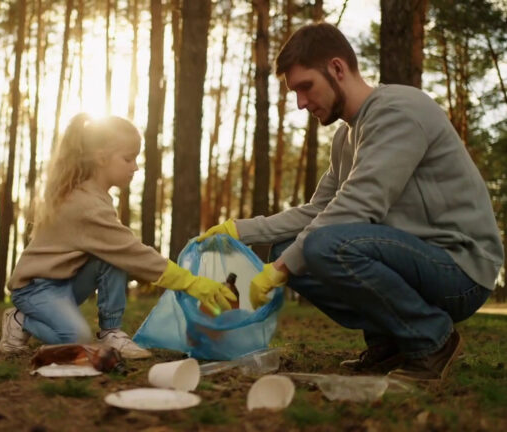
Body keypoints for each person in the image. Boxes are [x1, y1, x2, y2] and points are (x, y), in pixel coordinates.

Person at [198, 23, 504, 382]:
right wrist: (242, 230)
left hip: (459, 270)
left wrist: (281, 269)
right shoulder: (346, 137)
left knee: (318, 246)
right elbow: (318, 211)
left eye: (305, 87)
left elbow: (360, 206)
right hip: (413, 261)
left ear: (337, 68)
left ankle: (432, 338)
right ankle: (391, 343)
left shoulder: (399, 109)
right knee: (289, 246)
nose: (300, 103)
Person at [0, 113, 236, 359]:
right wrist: (192, 283)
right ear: (102, 159)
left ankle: (110, 331)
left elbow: (124, 252)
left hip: (65, 282)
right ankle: (20, 319)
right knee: (75, 339)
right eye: (128, 159)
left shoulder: (97, 198)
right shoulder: (87, 205)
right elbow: (134, 253)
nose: (135, 167)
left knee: (113, 255)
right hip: (35, 288)